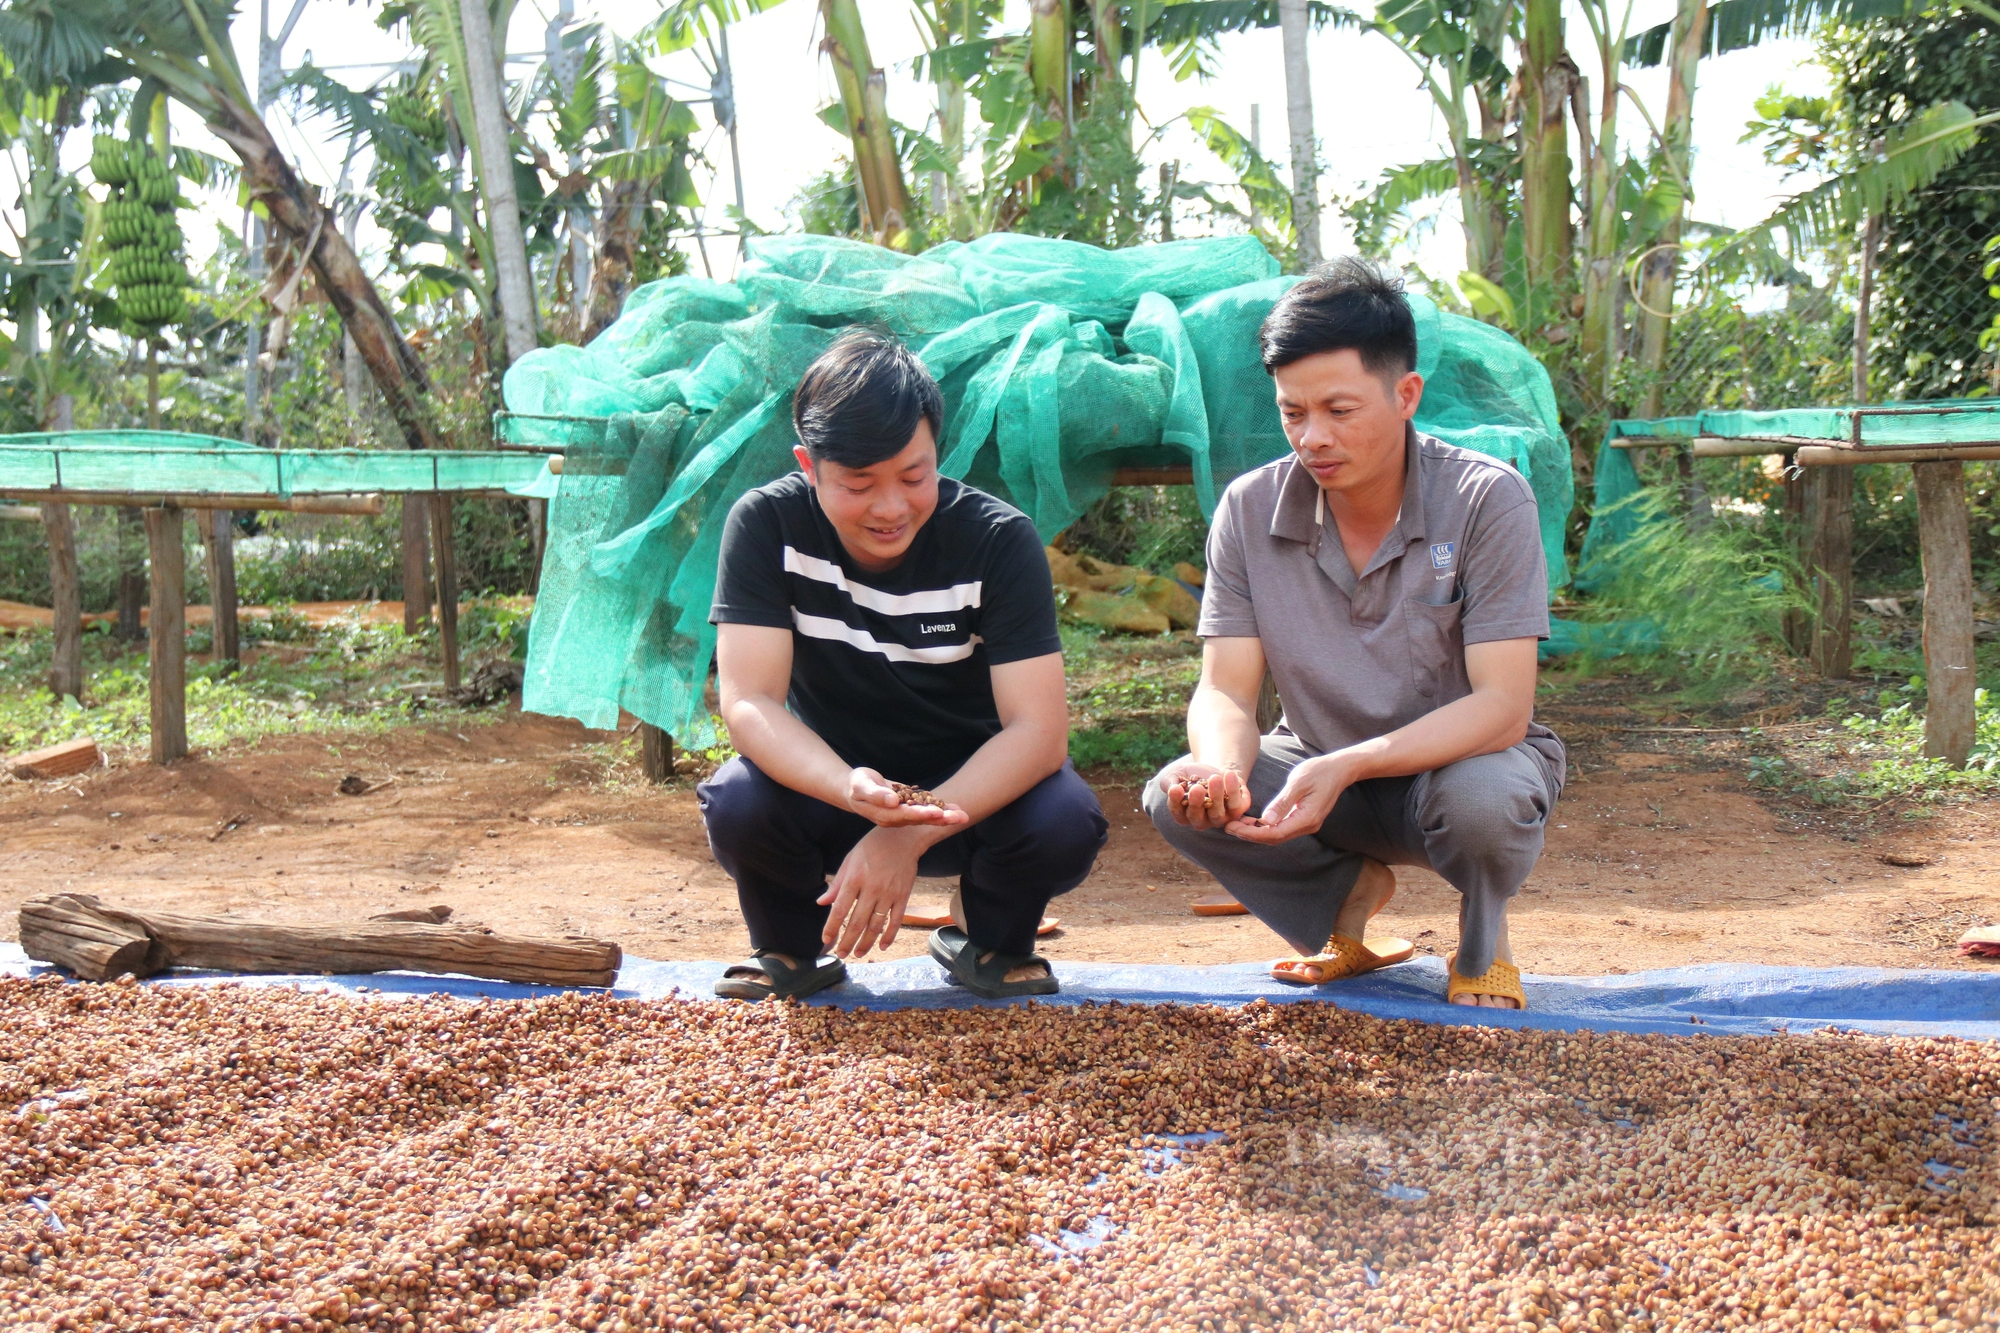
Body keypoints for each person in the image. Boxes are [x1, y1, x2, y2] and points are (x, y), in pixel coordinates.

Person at [1143, 259, 1564, 1010]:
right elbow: (1226, 687)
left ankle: (1482, 933)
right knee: (1174, 794)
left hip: (1461, 767)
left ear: (1407, 395)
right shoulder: (1248, 508)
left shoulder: (1486, 499)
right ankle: (1347, 904)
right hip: (1313, 770)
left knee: (1482, 806)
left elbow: (1503, 706)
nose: (1313, 437)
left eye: (1339, 409)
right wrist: (1222, 771)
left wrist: (1349, 764)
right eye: (1292, 412)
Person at [698, 329, 1108, 1002]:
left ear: (936, 453)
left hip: (972, 800)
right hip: (833, 790)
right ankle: (790, 946)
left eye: (914, 476)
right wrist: (847, 786)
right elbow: (750, 703)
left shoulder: (998, 540)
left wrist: (910, 833)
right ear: (809, 465)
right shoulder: (766, 526)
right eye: (859, 484)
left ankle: (988, 937)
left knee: (1063, 817)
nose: (890, 508)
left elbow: (1038, 732)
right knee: (739, 800)